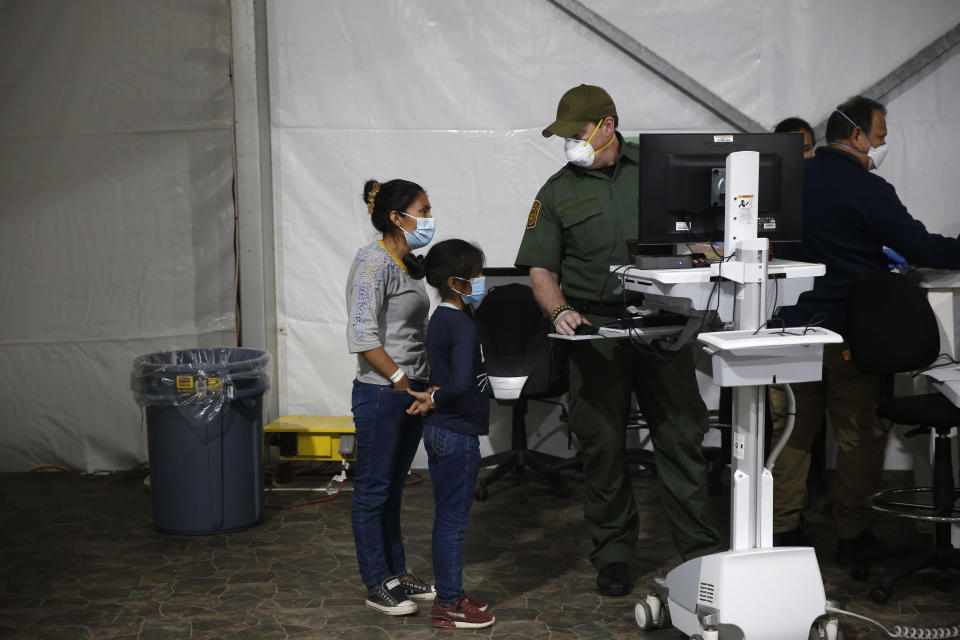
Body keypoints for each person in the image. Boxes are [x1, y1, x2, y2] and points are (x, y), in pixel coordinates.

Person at [514, 84, 723, 596]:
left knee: (680, 439)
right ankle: (612, 552)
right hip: (596, 333)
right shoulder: (556, 191)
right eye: (564, 136)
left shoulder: (659, 171)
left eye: (578, 133)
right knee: (602, 445)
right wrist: (560, 309)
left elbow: (704, 238)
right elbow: (541, 269)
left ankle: (698, 552)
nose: (570, 144)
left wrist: (713, 252)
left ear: (608, 124)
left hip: (664, 327)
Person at [772, 95, 960, 562]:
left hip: (787, 329)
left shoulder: (788, 179)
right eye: (879, 137)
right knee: (858, 434)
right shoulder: (868, 188)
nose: (882, 146)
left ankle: (783, 530)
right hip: (845, 333)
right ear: (855, 135)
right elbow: (920, 247)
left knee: (791, 431)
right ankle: (853, 534)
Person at [345, 178, 437, 614]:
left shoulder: (408, 265)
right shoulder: (371, 261)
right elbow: (363, 334)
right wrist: (402, 382)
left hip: (410, 391)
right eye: (423, 209)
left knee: (393, 490)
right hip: (382, 394)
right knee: (372, 490)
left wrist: (423, 383)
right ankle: (376, 582)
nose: (429, 218)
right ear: (397, 218)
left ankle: (396, 574)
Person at [405, 239, 496, 629]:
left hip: (445, 432)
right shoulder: (457, 323)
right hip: (456, 434)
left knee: (448, 519)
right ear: (455, 282)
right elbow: (459, 383)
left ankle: (451, 593)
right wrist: (437, 397)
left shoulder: (445, 318)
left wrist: (433, 397)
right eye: (475, 274)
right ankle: (448, 604)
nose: (481, 280)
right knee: (453, 523)